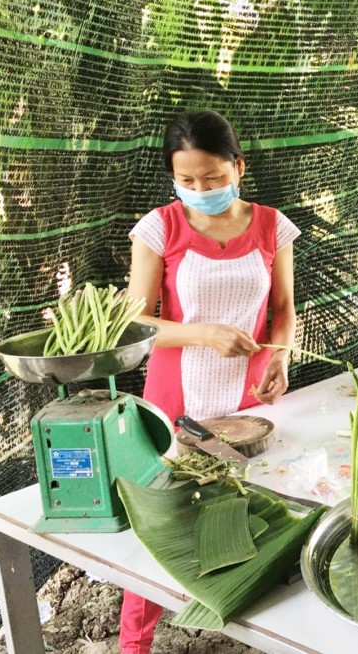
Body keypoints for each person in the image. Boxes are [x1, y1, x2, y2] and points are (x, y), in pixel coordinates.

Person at [120, 109, 300, 654]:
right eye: (187, 181)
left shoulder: (272, 225)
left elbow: (284, 308)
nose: (201, 189)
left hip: (246, 404)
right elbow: (135, 321)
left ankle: (247, 627)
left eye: (213, 178)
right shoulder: (161, 227)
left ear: (238, 166)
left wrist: (281, 357)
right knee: (161, 522)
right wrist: (202, 333)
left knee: (249, 513)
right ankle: (135, 643)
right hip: (175, 403)